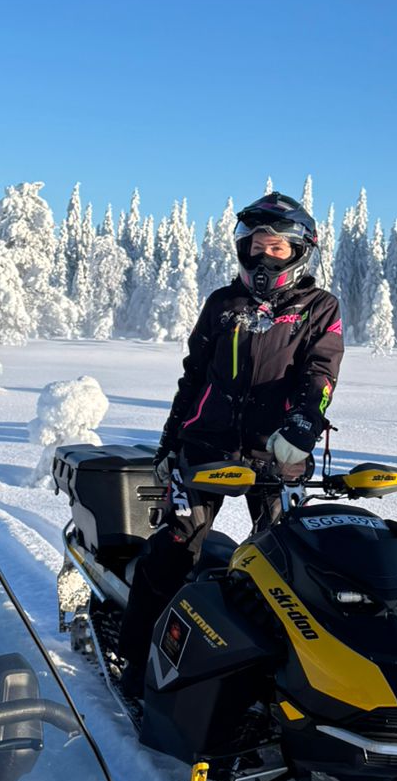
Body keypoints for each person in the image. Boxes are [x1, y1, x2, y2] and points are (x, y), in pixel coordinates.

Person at [117, 192, 343, 697]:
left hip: (278, 452)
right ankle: (136, 660)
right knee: (174, 549)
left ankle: (287, 680)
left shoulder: (319, 307)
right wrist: (167, 445)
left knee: (287, 565)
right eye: (257, 245)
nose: (265, 256)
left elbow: (321, 373)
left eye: (278, 248)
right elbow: (193, 377)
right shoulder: (223, 303)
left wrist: (304, 426)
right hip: (207, 447)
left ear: (299, 252)